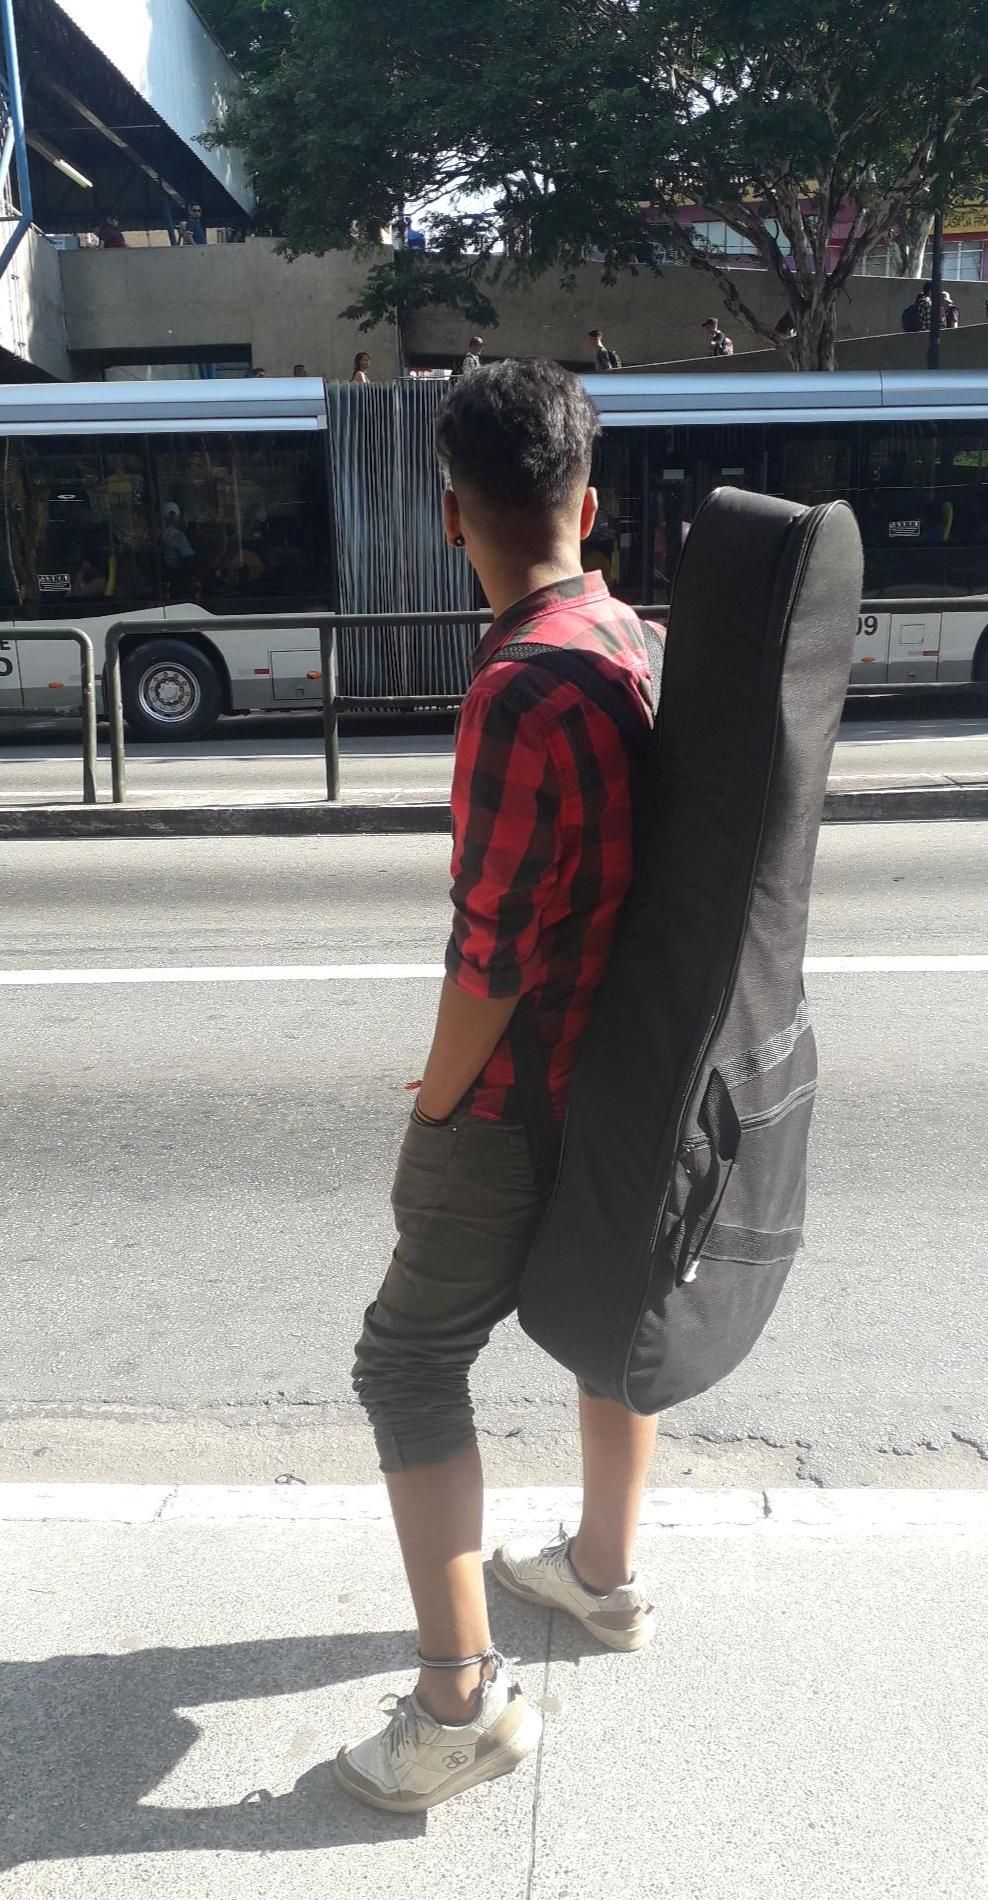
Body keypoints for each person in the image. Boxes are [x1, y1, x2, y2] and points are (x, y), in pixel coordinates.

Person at [338, 359, 657, 1815]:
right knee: (609, 1312)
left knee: (407, 1363)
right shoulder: (632, 637)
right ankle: (604, 1575)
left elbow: (492, 956)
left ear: (452, 515)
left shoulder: (519, 688)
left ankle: (457, 1704)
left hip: (523, 1092)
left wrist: (436, 1105)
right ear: (590, 506)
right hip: (631, 1079)